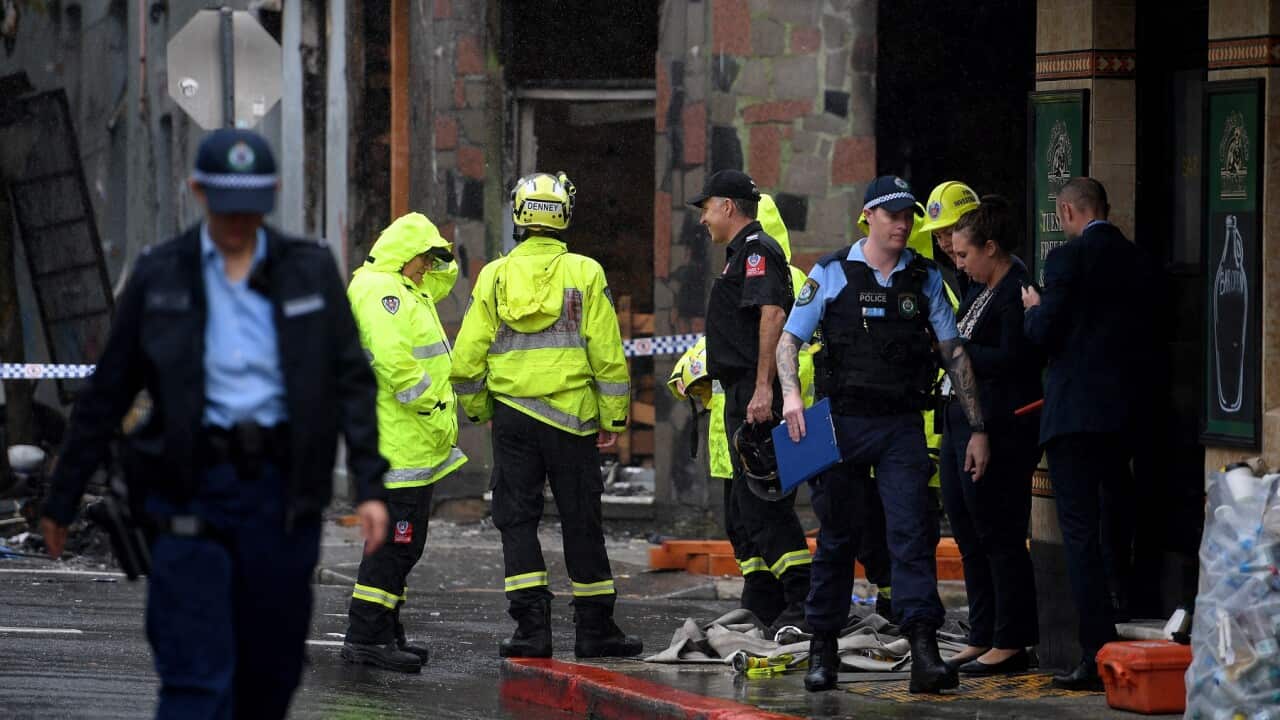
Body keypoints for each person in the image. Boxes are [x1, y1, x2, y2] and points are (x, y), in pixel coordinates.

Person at [39, 128, 390, 719]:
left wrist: (371, 487)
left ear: (272, 195)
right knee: (194, 682)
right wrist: (62, 497)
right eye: (226, 205)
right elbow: (106, 393)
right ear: (198, 192)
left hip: (280, 500)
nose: (238, 221)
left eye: (251, 206)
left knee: (269, 678)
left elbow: (351, 381)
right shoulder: (162, 275)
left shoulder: (309, 273)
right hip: (188, 496)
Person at [776, 175, 991, 694]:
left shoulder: (925, 278)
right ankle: (821, 650)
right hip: (840, 421)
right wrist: (790, 397)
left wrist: (979, 426)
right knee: (836, 538)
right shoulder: (830, 272)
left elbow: (954, 353)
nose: (902, 224)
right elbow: (788, 341)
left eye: (908, 216)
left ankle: (923, 650)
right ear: (868, 216)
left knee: (912, 536)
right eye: (892, 214)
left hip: (900, 425)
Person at [450, 171, 642, 659]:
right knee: (582, 520)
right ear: (562, 217)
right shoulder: (585, 272)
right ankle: (595, 631)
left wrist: (481, 409)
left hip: (513, 418)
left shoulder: (492, 275)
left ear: (519, 215)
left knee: (516, 519)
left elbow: (467, 358)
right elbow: (607, 353)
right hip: (573, 418)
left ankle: (531, 632)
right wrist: (612, 419)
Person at [1022, 177, 1152, 690]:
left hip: (1074, 414)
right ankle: (1130, 601)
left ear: (1069, 211)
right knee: (1119, 512)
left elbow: (1045, 334)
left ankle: (1094, 648)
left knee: (1077, 531)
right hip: (1126, 413)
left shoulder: (1066, 261)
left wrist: (1033, 310)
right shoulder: (1139, 260)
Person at [340, 212, 468, 673]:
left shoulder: (402, 286)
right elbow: (395, 364)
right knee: (394, 544)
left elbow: (443, 282)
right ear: (406, 256)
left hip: (408, 441)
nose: (426, 270)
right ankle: (367, 636)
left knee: (402, 544)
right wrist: (433, 407)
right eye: (422, 260)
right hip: (401, 440)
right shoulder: (384, 291)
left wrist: (439, 255)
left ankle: (382, 630)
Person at [689, 171, 812, 631]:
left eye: (706, 208)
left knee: (764, 506)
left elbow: (773, 314)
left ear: (727, 206)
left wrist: (763, 387)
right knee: (745, 511)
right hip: (742, 392)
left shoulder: (757, 251)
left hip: (758, 396)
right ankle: (765, 604)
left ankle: (803, 598)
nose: (702, 219)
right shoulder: (740, 254)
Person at [937, 196, 1042, 675]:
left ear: (991, 248)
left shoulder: (1015, 289)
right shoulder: (982, 290)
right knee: (969, 532)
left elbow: (1015, 360)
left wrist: (963, 350)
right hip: (962, 422)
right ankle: (982, 632)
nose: (959, 264)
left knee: (999, 531)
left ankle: (1011, 637)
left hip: (1000, 427)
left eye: (964, 255)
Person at [918, 181, 982, 299]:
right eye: (938, 236)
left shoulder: (999, 277)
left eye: (949, 233)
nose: (943, 244)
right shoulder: (957, 275)